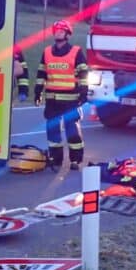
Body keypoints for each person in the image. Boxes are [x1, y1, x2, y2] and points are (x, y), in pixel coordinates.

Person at [34, 19, 88, 170]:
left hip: (71, 100)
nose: (58, 33)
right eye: (56, 30)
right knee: (52, 131)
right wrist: (38, 92)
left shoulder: (76, 52)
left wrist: (83, 93)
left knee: (72, 130)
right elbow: (41, 74)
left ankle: (75, 160)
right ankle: (56, 159)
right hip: (52, 100)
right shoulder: (46, 52)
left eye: (61, 31)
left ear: (67, 34)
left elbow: (83, 74)